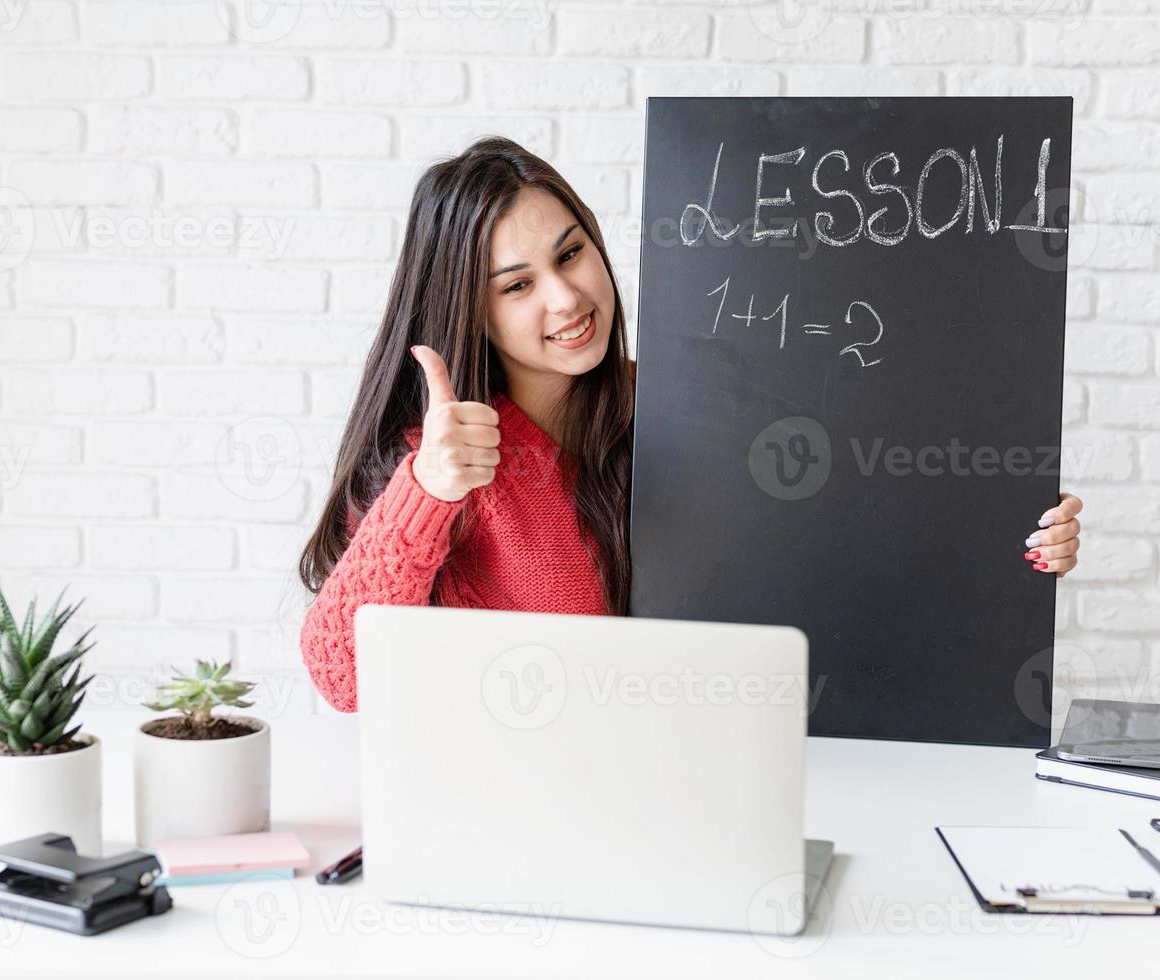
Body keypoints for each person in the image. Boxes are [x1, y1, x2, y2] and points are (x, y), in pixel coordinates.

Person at [297, 137, 1084, 713]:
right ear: (469, 310)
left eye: (571, 255)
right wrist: (426, 492)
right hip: (536, 814)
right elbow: (342, 676)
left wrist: (1005, 543)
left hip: (739, 774)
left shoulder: (692, 407)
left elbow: (855, 542)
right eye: (517, 285)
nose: (566, 299)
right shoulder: (443, 467)